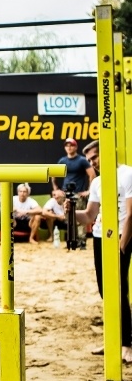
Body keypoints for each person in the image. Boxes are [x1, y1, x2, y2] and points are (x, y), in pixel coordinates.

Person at [67, 140, 132, 363]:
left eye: (95, 157)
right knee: (105, 291)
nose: (93, 162)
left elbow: (131, 213)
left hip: (120, 238)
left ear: (107, 153)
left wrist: (123, 244)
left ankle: (126, 343)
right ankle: (112, 339)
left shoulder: (126, 174)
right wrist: (71, 212)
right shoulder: (97, 183)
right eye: (91, 159)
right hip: (99, 237)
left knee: (119, 290)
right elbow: (89, 216)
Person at [51, 138, 95, 250]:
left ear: (76, 147)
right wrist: (56, 189)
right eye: (67, 145)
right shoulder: (62, 160)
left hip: (78, 193)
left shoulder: (82, 160)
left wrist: (89, 190)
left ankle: (82, 243)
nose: (69, 147)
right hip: (66, 193)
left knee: (79, 217)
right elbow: (53, 175)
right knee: (68, 217)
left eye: (71, 145)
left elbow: (92, 174)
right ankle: (70, 241)